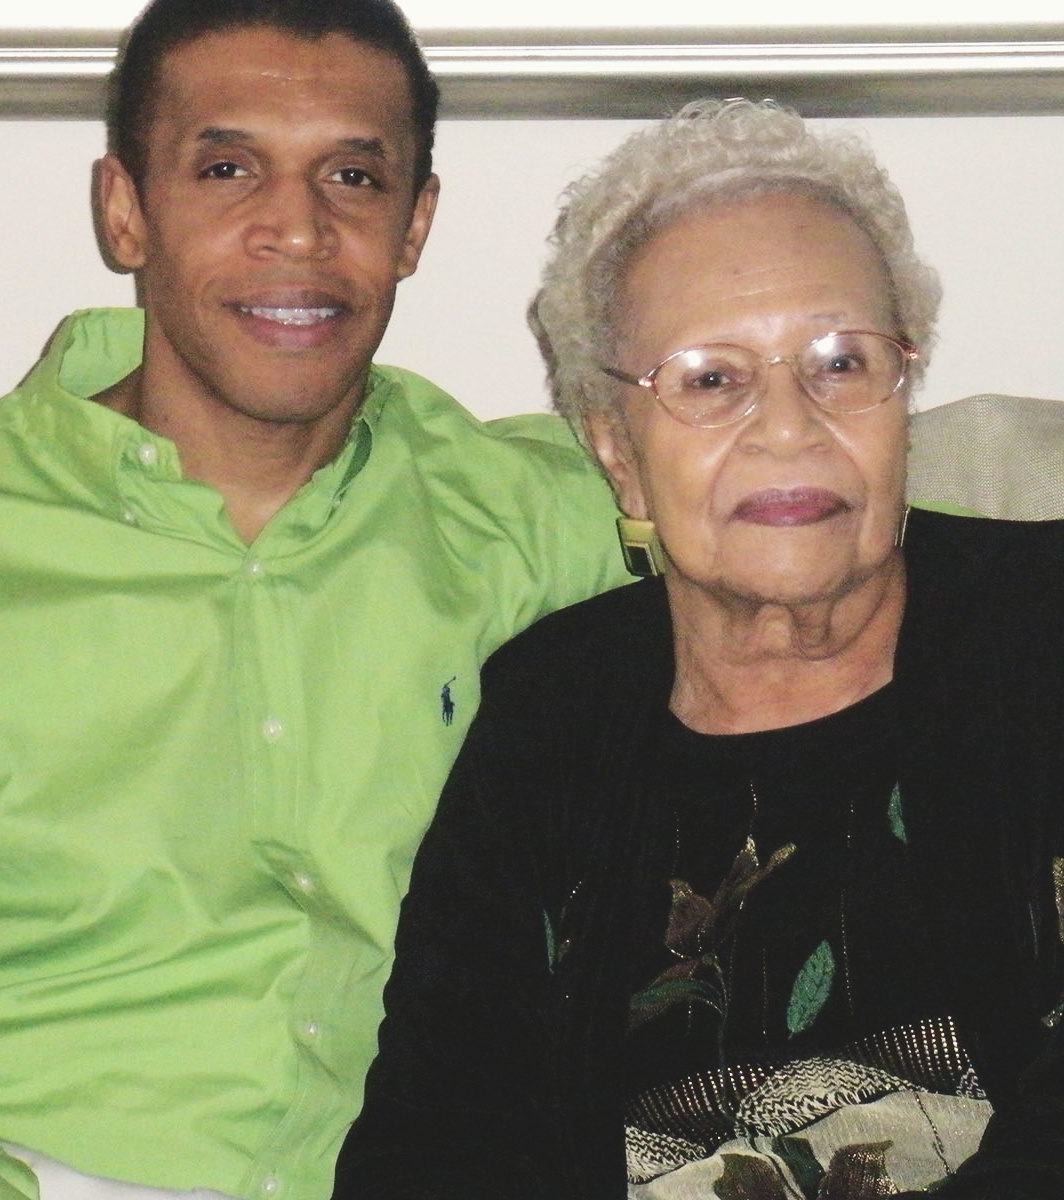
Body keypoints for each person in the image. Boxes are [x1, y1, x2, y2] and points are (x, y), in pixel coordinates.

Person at [0, 2, 631, 1198]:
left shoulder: (531, 519)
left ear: (416, 223)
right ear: (125, 208)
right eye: (228, 170)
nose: (298, 232)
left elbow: (805, 527)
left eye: (352, 178)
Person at [333, 99, 1064, 1199]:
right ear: (618, 453)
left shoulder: (1042, 625)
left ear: (902, 402)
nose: (787, 425)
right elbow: (438, 1132)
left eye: (841, 362)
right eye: (710, 379)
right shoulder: (548, 721)